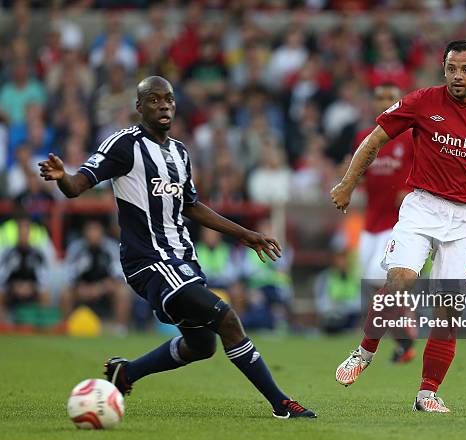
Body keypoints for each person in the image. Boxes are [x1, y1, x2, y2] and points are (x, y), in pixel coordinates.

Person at [39, 76, 316, 419]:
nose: (163, 105)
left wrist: (244, 233)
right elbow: (77, 185)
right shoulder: (124, 145)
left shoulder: (180, 152)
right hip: (149, 261)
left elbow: (191, 205)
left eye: (168, 99)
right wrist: (62, 176)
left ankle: (126, 374)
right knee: (227, 319)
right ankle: (281, 403)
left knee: (202, 346)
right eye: (153, 100)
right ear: (139, 107)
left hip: (182, 258)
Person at [331, 40, 466, 413]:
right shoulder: (422, 101)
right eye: (452, 68)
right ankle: (364, 352)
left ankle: (427, 394)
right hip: (422, 207)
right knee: (400, 281)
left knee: (449, 309)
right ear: (444, 69)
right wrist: (347, 183)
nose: (457, 76)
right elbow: (374, 140)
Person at [353, 82, 417, 363]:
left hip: (396, 225)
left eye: (390, 97)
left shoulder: (412, 138)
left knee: (381, 280)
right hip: (370, 224)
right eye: (379, 97)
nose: (384, 102)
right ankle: (403, 340)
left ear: (399, 102)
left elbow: (423, 174)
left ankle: (407, 332)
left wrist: (410, 190)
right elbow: (360, 173)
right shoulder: (365, 137)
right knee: (369, 284)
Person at [60, 220, 131, 335]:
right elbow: (69, 275)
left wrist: (100, 288)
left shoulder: (111, 248)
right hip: (81, 289)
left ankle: (120, 329)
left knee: (123, 291)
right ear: (84, 233)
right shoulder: (76, 248)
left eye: (96, 230)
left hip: (105, 289)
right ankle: (68, 326)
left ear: (102, 232)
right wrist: (80, 287)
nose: (93, 234)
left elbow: (119, 275)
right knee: (65, 293)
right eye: (90, 230)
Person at [0, 215, 50, 327]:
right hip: (12, 289)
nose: (24, 234)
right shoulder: (9, 253)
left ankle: (41, 325)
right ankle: (3, 326)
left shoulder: (37, 254)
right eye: (21, 231)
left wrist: (31, 287)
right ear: (17, 233)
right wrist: (14, 286)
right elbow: (2, 277)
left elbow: (43, 277)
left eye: (26, 231)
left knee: (45, 293)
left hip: (32, 289)